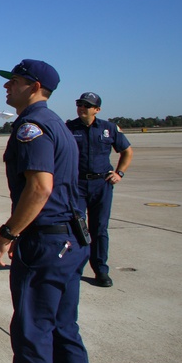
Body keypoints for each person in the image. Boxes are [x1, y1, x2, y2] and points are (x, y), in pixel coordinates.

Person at [0, 59, 102, 363]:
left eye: (12, 82)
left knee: (32, 334)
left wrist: (7, 235)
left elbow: (40, 187)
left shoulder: (32, 127)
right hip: (69, 241)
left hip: (46, 245)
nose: (6, 89)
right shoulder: (59, 125)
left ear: (33, 86)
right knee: (65, 332)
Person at [67, 92, 133, 287]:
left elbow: (127, 151)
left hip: (101, 184)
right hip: (77, 184)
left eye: (87, 105)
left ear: (97, 109)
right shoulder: (69, 128)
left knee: (99, 228)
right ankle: (74, 268)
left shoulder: (109, 128)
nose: (82, 108)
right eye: (79, 104)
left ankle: (101, 270)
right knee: (77, 227)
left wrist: (119, 173)